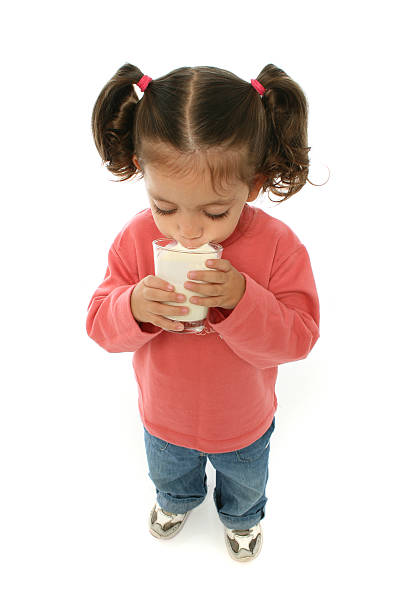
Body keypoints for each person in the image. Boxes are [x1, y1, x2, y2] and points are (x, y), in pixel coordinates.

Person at [86, 63, 321, 563]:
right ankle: (177, 502)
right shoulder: (134, 239)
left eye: (215, 212)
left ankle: (242, 520)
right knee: (169, 475)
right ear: (141, 171)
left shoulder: (278, 247)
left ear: (252, 186)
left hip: (244, 423)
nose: (189, 231)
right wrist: (134, 307)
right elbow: (99, 325)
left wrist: (242, 299)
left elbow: (299, 338)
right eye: (164, 206)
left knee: (245, 485)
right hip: (163, 418)